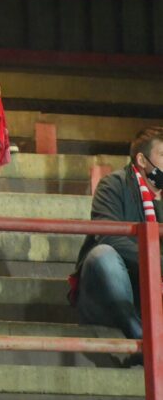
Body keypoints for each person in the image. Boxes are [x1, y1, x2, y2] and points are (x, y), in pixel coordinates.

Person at [73, 126, 163, 345]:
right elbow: (109, 236)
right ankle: (142, 337)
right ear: (142, 161)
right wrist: (157, 262)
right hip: (116, 290)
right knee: (103, 255)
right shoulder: (113, 185)